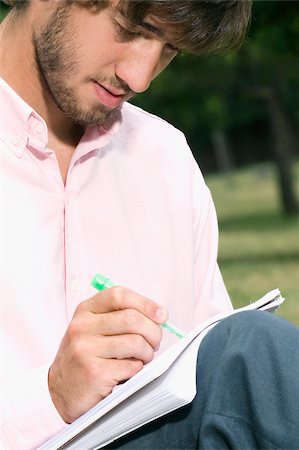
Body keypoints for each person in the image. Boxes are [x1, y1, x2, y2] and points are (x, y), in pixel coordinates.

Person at [0, 1, 298, 449]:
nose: (140, 78)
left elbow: (215, 380)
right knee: (253, 353)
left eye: (170, 48)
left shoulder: (166, 158)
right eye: (131, 28)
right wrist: (52, 397)